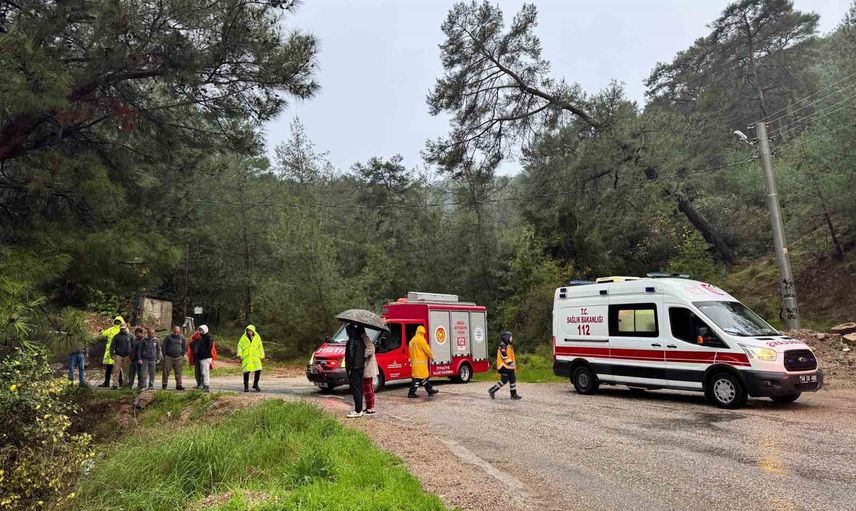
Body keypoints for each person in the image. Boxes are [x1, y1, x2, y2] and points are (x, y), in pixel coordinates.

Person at [488, 331, 522, 400]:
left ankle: (513, 395)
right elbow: (504, 355)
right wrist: (510, 362)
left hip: (509, 367)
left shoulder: (508, 345)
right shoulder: (503, 345)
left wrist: (512, 365)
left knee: (513, 379)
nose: (512, 338)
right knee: (504, 380)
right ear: (506, 337)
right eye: (510, 337)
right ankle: (492, 390)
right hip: (504, 366)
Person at [407, 325, 438, 399]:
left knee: (423, 378)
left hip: (415, 363)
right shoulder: (421, 340)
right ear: (423, 332)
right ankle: (411, 393)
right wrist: (432, 356)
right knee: (417, 379)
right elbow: (427, 349)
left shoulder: (412, 340)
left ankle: (430, 390)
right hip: (421, 363)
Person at [344, 323, 365, 417]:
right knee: (359, 389)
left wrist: (349, 368)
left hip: (354, 368)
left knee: (355, 390)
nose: (346, 333)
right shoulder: (361, 340)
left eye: (347, 331)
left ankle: (358, 411)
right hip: (360, 367)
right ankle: (359, 409)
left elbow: (351, 356)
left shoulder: (352, 340)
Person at [99, 315, 125, 387]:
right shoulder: (111, 329)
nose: (117, 322)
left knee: (117, 368)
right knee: (108, 368)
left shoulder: (123, 329)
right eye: (116, 321)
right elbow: (104, 333)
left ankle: (121, 382)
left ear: (121, 322)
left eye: (119, 321)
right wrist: (101, 331)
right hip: (109, 352)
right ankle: (106, 383)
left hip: (117, 352)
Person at [237, 325, 265, 392]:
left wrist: (262, 355)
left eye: (251, 331)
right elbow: (239, 346)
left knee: (258, 369)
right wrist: (240, 354)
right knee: (246, 371)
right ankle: (246, 386)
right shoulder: (243, 338)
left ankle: (255, 384)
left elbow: (260, 346)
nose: (249, 332)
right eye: (248, 331)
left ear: (253, 331)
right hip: (246, 356)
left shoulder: (257, 337)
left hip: (255, 356)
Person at [360, 325, 378, 415]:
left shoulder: (364, 338)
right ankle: (370, 406)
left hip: (368, 367)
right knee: (369, 387)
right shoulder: (364, 337)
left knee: (367, 388)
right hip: (369, 367)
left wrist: (362, 356)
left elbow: (371, 349)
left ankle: (370, 407)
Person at [109, 324, 134, 389]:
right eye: (121, 328)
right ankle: (115, 384)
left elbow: (133, 346)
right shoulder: (116, 336)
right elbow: (112, 346)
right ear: (120, 328)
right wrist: (112, 354)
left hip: (127, 355)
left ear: (126, 328)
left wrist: (132, 355)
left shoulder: (130, 336)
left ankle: (125, 383)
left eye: (124, 328)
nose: (122, 329)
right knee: (116, 370)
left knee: (126, 370)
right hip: (118, 355)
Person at [162, 326, 186, 390]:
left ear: (180, 332)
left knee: (178, 372)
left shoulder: (182, 338)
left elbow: (184, 347)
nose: (176, 333)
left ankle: (179, 385)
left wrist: (182, 355)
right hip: (169, 357)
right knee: (166, 372)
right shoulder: (168, 337)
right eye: (175, 332)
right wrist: (164, 355)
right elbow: (164, 346)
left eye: (177, 332)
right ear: (173, 331)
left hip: (178, 358)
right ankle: (164, 384)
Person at [193, 325, 214, 392]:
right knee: (202, 372)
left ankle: (206, 385)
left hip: (206, 357)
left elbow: (209, 347)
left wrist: (202, 353)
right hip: (201, 358)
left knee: (205, 372)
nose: (199, 331)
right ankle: (204, 385)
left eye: (201, 330)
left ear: (205, 330)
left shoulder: (208, 337)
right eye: (199, 330)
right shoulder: (202, 337)